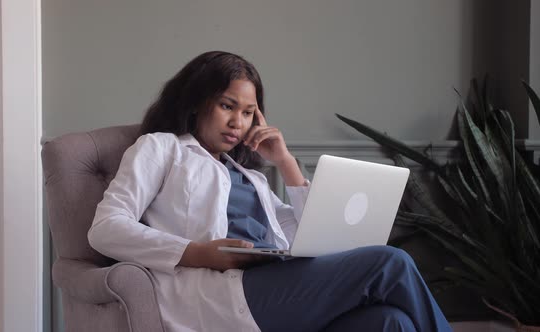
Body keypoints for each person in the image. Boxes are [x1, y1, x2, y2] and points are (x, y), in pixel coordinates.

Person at [88, 51, 451, 332]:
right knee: (391, 262)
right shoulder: (162, 148)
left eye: (248, 113)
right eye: (227, 106)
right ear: (197, 102)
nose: (237, 122)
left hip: (277, 285)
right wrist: (197, 253)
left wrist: (286, 162)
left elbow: (308, 236)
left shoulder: (249, 176)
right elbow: (106, 228)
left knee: (390, 322)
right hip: (224, 295)